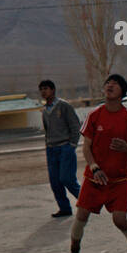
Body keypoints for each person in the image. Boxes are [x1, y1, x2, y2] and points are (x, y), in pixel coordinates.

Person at [67, 74, 127, 253]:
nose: (110, 85)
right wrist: (94, 167)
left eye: (115, 83)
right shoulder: (94, 116)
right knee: (81, 216)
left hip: (118, 180)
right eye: (107, 83)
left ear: (122, 92)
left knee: (119, 219)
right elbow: (86, 147)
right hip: (94, 178)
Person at [39, 80, 82, 218]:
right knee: (55, 182)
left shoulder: (64, 106)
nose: (43, 92)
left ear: (53, 90)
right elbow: (47, 130)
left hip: (65, 147)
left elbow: (75, 126)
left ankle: (87, 203)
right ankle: (64, 208)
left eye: (46, 88)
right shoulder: (45, 111)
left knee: (67, 179)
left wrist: (72, 145)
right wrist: (47, 145)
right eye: (41, 89)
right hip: (51, 149)